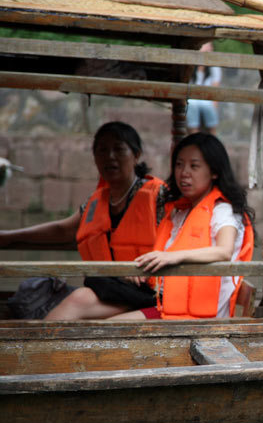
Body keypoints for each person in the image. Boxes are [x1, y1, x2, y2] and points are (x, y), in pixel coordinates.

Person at [0, 122, 167, 320]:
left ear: (136, 155)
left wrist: (146, 265)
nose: (110, 156)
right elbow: (63, 230)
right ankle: (39, 348)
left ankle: (37, 349)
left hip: (151, 290)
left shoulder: (159, 196)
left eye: (119, 149)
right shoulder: (97, 200)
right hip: (113, 288)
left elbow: (179, 234)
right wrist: (9, 237)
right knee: (77, 300)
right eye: (102, 150)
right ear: (95, 158)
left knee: (79, 301)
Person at [109, 133, 254, 320]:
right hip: (167, 305)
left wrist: (171, 257)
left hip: (202, 318)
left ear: (214, 172)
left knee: (113, 325)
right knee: (98, 314)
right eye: (179, 165)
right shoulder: (181, 212)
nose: (184, 173)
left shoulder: (222, 209)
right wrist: (144, 271)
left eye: (194, 166)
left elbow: (224, 251)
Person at [186, 42, 223, 135]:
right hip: (193, 99)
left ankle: (211, 137)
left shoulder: (214, 67)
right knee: (192, 104)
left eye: (210, 48)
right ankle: (195, 136)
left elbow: (215, 88)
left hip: (207, 99)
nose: (208, 50)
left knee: (208, 107)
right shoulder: (190, 66)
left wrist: (215, 107)